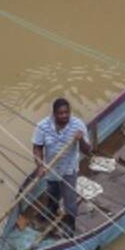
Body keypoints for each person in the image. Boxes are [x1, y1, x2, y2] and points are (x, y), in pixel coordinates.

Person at [32, 97, 92, 237]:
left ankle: (69, 223)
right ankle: (52, 211)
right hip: (51, 168)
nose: (64, 116)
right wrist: (40, 166)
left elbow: (88, 150)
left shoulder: (78, 125)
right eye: (60, 113)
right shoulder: (43, 126)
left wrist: (81, 139)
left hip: (69, 169)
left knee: (70, 200)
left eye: (66, 112)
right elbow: (37, 148)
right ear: (53, 114)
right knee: (52, 193)